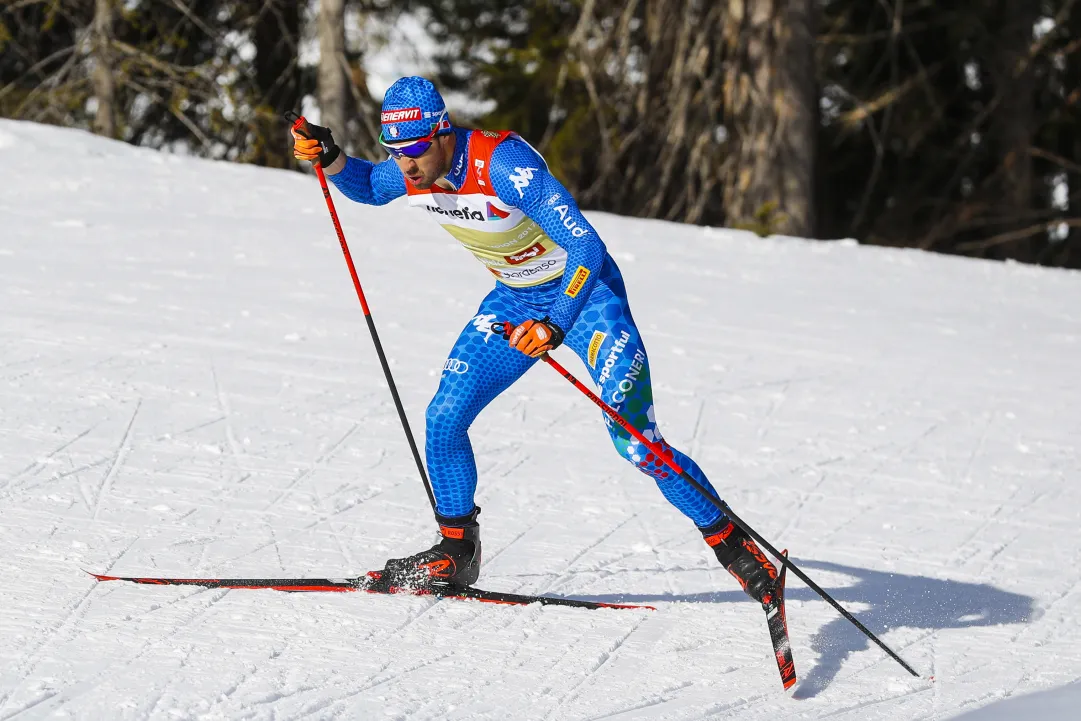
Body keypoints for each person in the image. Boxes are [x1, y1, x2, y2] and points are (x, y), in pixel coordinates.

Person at [291, 76, 779, 606]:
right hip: (515, 300)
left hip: (587, 299)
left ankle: (735, 546)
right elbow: (367, 186)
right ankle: (455, 552)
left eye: (414, 151)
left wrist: (557, 323)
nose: (406, 165)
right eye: (395, 152)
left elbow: (587, 247)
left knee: (636, 442)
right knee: (444, 416)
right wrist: (333, 158)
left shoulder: (503, 165)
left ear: (443, 132)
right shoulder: (415, 169)